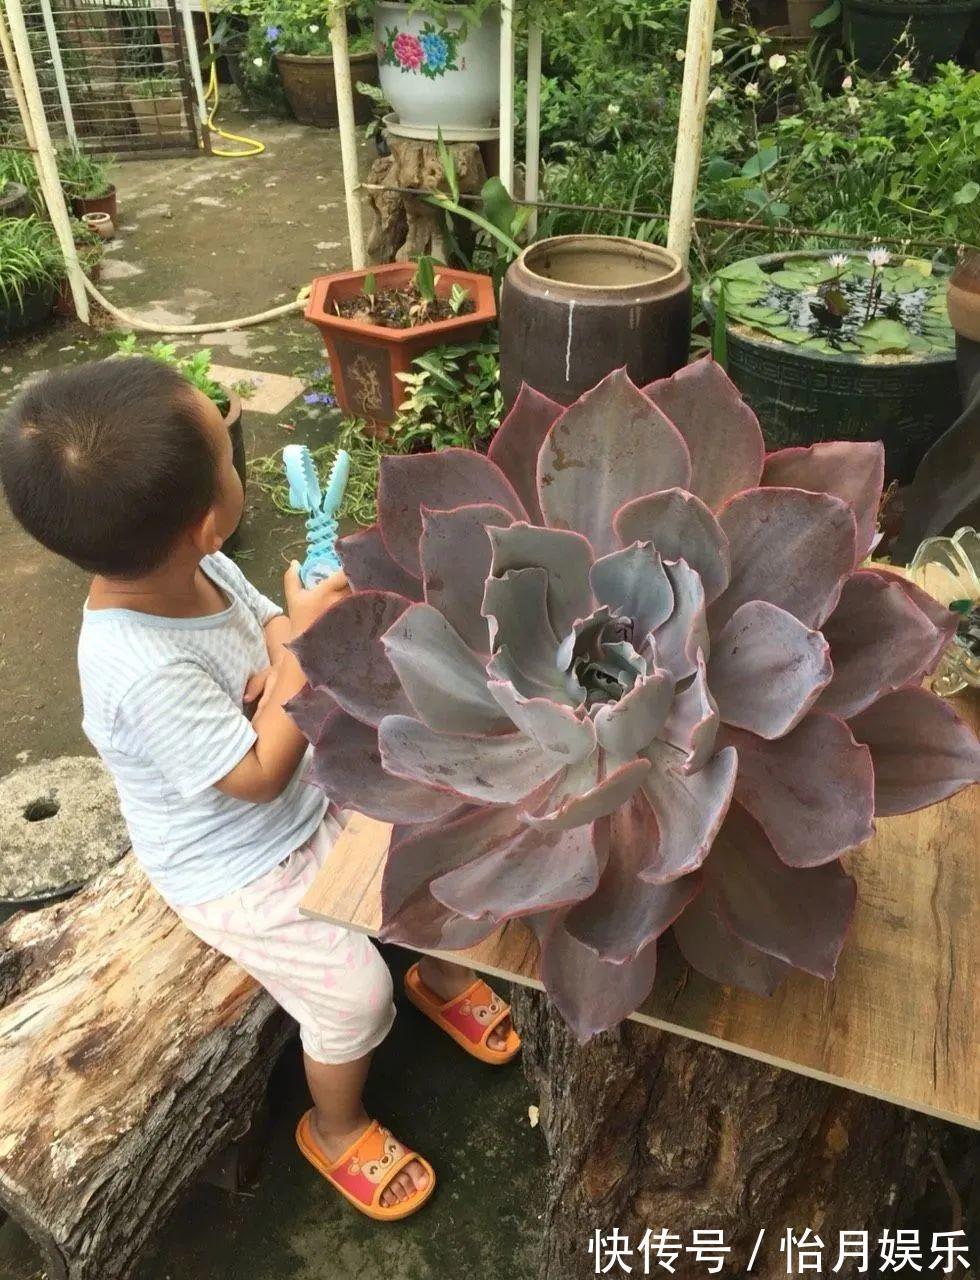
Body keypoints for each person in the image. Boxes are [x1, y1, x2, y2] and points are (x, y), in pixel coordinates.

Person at [0, 356, 519, 1223]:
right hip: (238, 861)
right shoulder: (134, 667)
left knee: (433, 830)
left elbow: (266, 632)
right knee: (355, 994)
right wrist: (300, 652)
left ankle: (434, 968)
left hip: (303, 776)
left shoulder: (196, 569)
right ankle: (335, 1120)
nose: (243, 469)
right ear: (208, 520)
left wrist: (285, 641)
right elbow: (253, 776)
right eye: (230, 461)